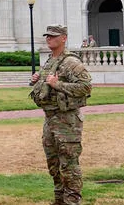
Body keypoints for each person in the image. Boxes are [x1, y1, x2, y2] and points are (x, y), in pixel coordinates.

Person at [29, 24, 93, 205]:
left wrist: (58, 85)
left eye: (53, 36)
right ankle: (59, 200)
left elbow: (86, 87)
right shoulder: (50, 61)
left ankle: (72, 201)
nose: (49, 38)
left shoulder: (71, 62)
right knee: (54, 164)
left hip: (67, 121)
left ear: (63, 38)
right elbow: (45, 87)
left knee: (69, 164)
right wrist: (37, 80)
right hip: (50, 119)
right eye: (47, 36)